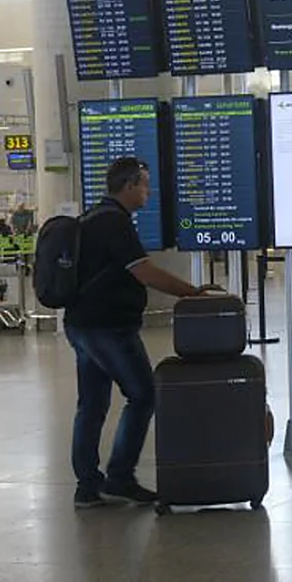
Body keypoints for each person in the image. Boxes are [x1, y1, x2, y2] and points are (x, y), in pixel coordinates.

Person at [64, 157, 218, 508]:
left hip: (81, 324)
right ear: (130, 185)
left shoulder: (91, 218)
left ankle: (87, 486)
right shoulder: (115, 223)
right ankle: (119, 477)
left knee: (91, 404)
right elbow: (144, 272)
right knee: (143, 394)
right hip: (109, 327)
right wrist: (191, 292)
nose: (149, 191)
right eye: (145, 184)